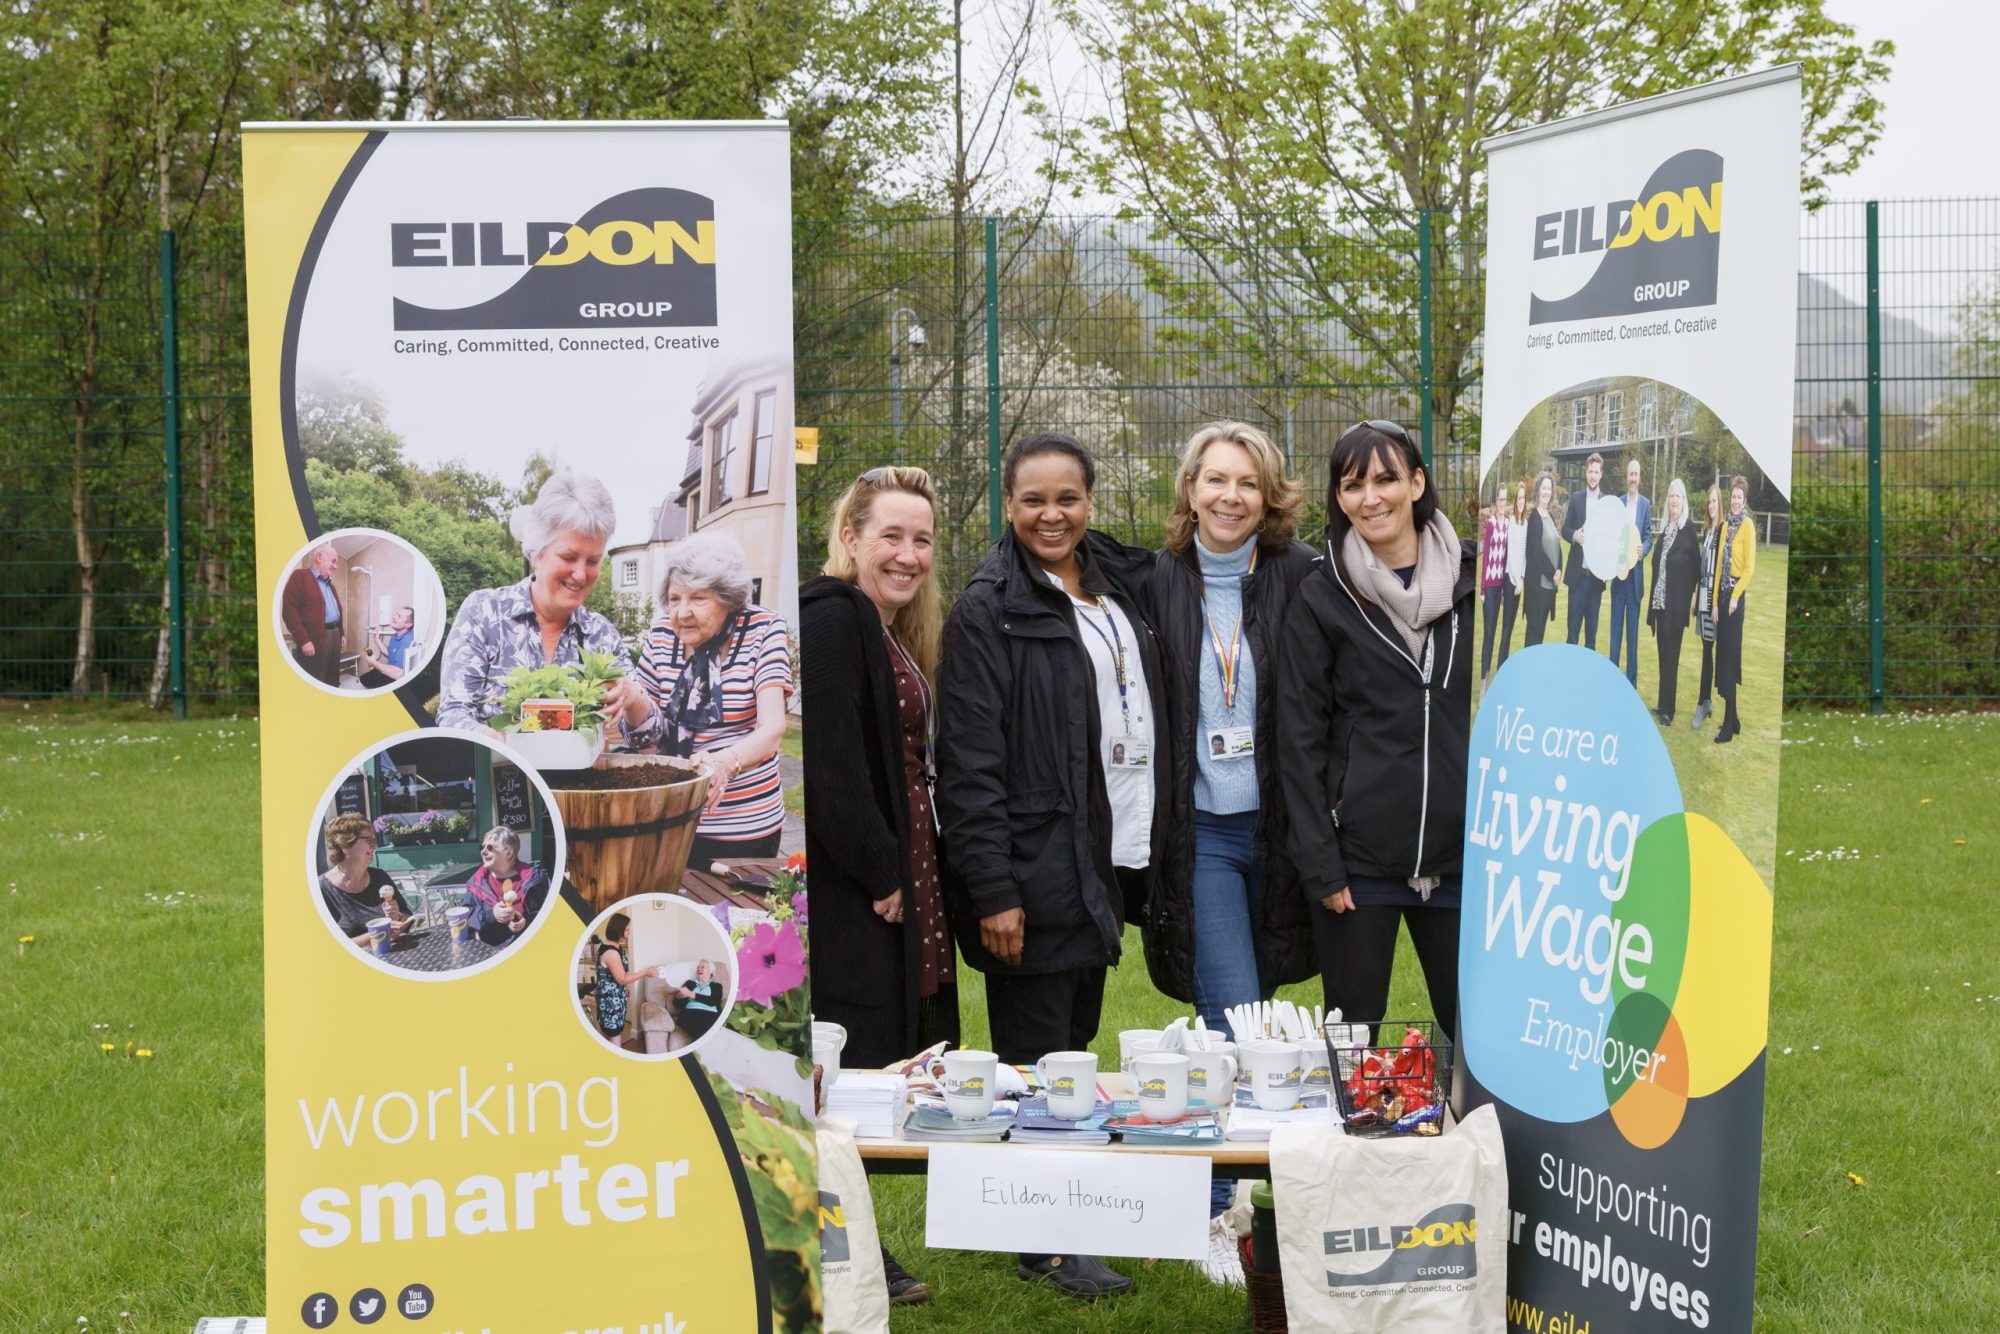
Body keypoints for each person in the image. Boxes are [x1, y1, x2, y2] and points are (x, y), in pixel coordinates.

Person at [935, 431, 1165, 1301]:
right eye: (1033, 499)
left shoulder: (1112, 584)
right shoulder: (989, 609)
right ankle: (1047, 1242)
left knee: (1072, 1048)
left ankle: (1066, 1221)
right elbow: (969, 764)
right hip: (1031, 873)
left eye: (1067, 498)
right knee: (1041, 1062)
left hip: (1097, 862)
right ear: (1009, 504)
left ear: (1090, 503)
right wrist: (993, 888)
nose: (1051, 515)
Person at [1144, 421, 1319, 1243]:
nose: (1230, 496)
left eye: (1247, 482)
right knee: (1236, 1018)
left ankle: (1242, 1186)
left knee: (1258, 1008)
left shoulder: (1302, 576)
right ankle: (1218, 1214)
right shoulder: (1156, 582)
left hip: (1281, 831)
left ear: (1269, 493)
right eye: (1214, 480)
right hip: (1205, 834)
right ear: (1189, 489)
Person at [1279, 419, 1473, 1043]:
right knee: (1353, 1043)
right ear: (1340, 499)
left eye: (1387, 478)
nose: (1372, 497)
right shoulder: (1321, 596)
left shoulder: (1484, 586)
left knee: (1478, 1039)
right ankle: (1359, 1142)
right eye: (1354, 484)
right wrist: (1322, 865)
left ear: (1417, 482)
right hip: (1358, 863)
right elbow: (1299, 740)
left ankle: (1479, 1143)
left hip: (1466, 859)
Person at [802, 467, 961, 1070]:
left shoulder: (884, 628)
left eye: (921, 541)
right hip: (857, 886)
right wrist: (881, 871)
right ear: (849, 537)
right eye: (890, 536)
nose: (908, 556)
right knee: (858, 1052)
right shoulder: (832, 618)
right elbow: (829, 763)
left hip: (903, 862)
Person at [620, 532, 794, 864]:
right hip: (668, 819)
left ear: (729, 600)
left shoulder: (764, 629)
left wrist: (723, 764)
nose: (682, 613)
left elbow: (771, 729)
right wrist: (633, 698)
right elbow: (646, 738)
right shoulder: (661, 634)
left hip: (744, 828)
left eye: (698, 598)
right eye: (674, 599)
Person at [436, 471, 645, 732]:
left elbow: (650, 737)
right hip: (501, 771)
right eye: (568, 557)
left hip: (583, 774)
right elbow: (453, 712)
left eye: (592, 561)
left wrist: (634, 696)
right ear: (536, 554)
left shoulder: (600, 635)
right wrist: (489, 738)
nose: (580, 574)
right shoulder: (485, 613)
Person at [1646, 480, 1700, 726]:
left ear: (1683, 500)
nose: (1674, 500)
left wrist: (1690, 598)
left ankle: (1669, 710)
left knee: (1672, 658)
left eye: (1678, 496)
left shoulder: (1687, 530)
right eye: (1671, 496)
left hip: (1675, 608)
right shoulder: (1666, 529)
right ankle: (1662, 703)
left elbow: (1696, 570)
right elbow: (1656, 564)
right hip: (1660, 605)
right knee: (1661, 656)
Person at [1710, 475, 1757, 744]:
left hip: (1735, 601)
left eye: (1740, 497)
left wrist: (1735, 597)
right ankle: (1735, 719)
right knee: (1723, 657)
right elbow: (1718, 568)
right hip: (1723, 599)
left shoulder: (1747, 526)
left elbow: (1749, 567)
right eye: (1733, 497)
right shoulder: (1726, 526)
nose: (1736, 501)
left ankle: (1728, 725)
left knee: (1729, 659)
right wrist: (1716, 601)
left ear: (1745, 500)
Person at [317, 813, 411, 944]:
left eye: (374, 840)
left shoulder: (380, 877)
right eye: (369, 840)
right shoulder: (321, 890)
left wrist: (398, 918)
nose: (374, 846)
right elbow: (327, 945)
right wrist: (378, 934)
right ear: (344, 843)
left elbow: (407, 916)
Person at [461, 825, 548, 948]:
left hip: (531, 946)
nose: (483, 851)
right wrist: (491, 915)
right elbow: (464, 918)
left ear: (509, 853)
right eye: (482, 847)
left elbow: (550, 911)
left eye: (490, 847)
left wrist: (526, 921)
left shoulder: (535, 878)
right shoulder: (477, 882)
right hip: (492, 951)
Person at [1607, 457, 1654, 688]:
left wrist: (1642, 549)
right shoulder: (1618, 503)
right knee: (1615, 635)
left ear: (1639, 477)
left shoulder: (1646, 505)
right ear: (1626, 477)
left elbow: (1648, 538)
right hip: (1618, 580)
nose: (1633, 478)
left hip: (1634, 582)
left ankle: (1630, 685)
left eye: (1636, 474)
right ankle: (1613, 683)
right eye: (1630, 474)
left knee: (1632, 638)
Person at [592, 912, 661, 1044]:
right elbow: (621, 979)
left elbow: (623, 971)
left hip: (616, 997)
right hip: (610, 1001)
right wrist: (645, 972)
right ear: (618, 929)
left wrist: (627, 987)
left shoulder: (616, 947)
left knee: (612, 1032)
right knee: (614, 1033)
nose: (629, 933)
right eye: (627, 930)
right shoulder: (611, 952)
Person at [1561, 452, 1607, 649]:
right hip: (1577, 578)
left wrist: (1609, 568)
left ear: (1601, 474)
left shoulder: (1607, 503)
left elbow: (1611, 541)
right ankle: (1569, 677)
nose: (1593, 476)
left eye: (1596, 472)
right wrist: (1574, 536)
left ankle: (1588, 679)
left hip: (1596, 581)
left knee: (1591, 639)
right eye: (1590, 471)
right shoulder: (1577, 498)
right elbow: (1564, 529)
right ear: (1586, 473)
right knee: (1572, 636)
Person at [1479, 477, 1523, 682]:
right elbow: (1487, 556)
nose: (1502, 502)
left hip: (1502, 587)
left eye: (1505, 499)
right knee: (1488, 633)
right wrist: (1482, 589)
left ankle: (1497, 676)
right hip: (1490, 587)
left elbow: (1509, 556)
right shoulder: (1491, 524)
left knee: (1499, 632)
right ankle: (1484, 680)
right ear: (1495, 500)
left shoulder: (1509, 524)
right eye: (1500, 499)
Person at [282, 544, 344, 687]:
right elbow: (289, 611)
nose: (336, 566)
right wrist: (304, 640)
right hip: (315, 637)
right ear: (320, 557)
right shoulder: (300, 576)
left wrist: (341, 633)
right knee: (316, 678)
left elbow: (337, 611)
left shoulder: (331, 585)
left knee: (333, 675)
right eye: (333, 561)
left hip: (334, 634)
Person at [1691, 482, 1723, 729]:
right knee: (1705, 648)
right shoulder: (1707, 531)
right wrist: (1695, 598)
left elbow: (1721, 570)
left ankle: (1702, 704)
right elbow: (1701, 569)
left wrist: (1715, 603)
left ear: (1720, 503)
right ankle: (1708, 701)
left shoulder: (1723, 530)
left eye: (1715, 501)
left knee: (1707, 651)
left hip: (1713, 599)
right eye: (1709, 502)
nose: (1712, 505)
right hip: (1702, 596)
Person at [1522, 473, 1561, 646]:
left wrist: (1559, 569)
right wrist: (1553, 572)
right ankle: (1528, 671)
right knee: (1533, 635)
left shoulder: (1551, 517)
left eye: (1549, 488)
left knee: (1540, 636)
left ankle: (1535, 670)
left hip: (1549, 588)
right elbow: (1537, 551)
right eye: (1544, 488)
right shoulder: (1535, 518)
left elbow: (1558, 547)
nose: (1546, 492)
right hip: (1537, 589)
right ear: (1538, 490)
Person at [358, 605, 420, 690]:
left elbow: (398, 674)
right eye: (396, 614)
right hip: (391, 673)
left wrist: (374, 663)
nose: (394, 616)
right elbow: (390, 653)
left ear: (408, 624)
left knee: (365, 682)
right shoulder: (396, 635)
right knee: (363, 679)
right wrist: (377, 640)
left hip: (396, 680)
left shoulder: (408, 640)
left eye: (399, 616)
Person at [673, 959, 726, 1042]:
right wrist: (679, 997)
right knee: (700, 1026)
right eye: (698, 967)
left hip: (710, 1015)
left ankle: (694, 1049)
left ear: (710, 971)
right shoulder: (689, 983)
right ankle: (695, 1049)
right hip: (690, 1013)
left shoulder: (716, 986)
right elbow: (677, 1005)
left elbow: (714, 1001)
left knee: (707, 1024)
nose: (699, 969)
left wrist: (692, 994)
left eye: (702, 967)